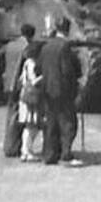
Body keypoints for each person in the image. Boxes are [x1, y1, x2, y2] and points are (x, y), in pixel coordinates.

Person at [38, 18, 83, 166]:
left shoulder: (46, 46)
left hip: (47, 88)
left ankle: (50, 155)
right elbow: (67, 70)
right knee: (68, 122)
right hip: (63, 89)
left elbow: (38, 68)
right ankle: (66, 154)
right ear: (67, 30)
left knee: (51, 122)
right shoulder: (65, 46)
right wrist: (76, 83)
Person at [0, 24, 38, 158]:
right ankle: (12, 148)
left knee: (10, 116)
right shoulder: (27, 47)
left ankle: (9, 146)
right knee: (19, 118)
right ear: (31, 35)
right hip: (19, 86)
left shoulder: (11, 44)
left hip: (7, 83)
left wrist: (5, 69)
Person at [16, 42, 44, 162]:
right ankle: (27, 150)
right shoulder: (33, 64)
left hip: (25, 95)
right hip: (32, 97)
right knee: (32, 126)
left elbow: (22, 79)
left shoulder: (26, 63)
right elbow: (33, 81)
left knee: (28, 126)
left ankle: (25, 151)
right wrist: (44, 76)